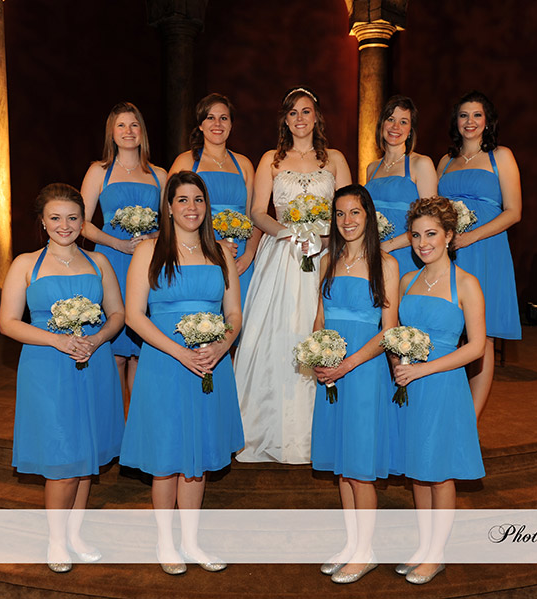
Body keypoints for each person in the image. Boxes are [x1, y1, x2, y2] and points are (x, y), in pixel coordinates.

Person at [120, 171, 244, 575]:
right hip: (164, 363)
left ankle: (191, 541)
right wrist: (179, 352)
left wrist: (222, 345)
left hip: (210, 364)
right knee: (167, 453)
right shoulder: (149, 251)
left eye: (198, 200)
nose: (192, 207)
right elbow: (135, 315)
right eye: (183, 200)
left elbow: (234, 313)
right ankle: (165, 541)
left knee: (199, 454)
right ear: (169, 207)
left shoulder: (221, 252)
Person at [0, 183, 125, 573]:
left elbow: (117, 315)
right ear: (42, 221)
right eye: (55, 218)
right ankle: (55, 539)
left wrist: (97, 339)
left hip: (94, 363)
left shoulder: (99, 262)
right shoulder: (25, 264)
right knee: (63, 455)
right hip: (46, 368)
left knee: (86, 454)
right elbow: (7, 323)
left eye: (72, 218)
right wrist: (58, 340)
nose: (64, 225)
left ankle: (75, 535)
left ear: (84, 221)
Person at [234, 86, 352, 464]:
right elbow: (257, 212)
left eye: (306, 111)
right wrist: (288, 233)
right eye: (293, 113)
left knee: (316, 326)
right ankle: (266, 427)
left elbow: (348, 208)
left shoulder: (335, 159)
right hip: (282, 254)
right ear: (285, 120)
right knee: (277, 333)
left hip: (325, 253)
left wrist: (325, 238)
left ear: (316, 116)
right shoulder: (271, 159)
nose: (300, 118)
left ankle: (320, 431)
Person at [391, 196, 486, 585]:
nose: (422, 243)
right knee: (419, 467)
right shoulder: (406, 281)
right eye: (415, 236)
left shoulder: (466, 284)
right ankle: (424, 545)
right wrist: (398, 363)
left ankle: (437, 553)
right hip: (409, 386)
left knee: (440, 471)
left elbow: (476, 347)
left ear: (449, 235)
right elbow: (394, 335)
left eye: (431, 234)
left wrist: (424, 369)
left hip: (444, 386)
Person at [310, 184, 399, 583]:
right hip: (331, 374)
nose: (347, 221)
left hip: (363, 372)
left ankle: (366, 551)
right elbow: (320, 317)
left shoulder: (386, 264)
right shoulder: (328, 260)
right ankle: (352, 544)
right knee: (343, 465)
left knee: (360, 465)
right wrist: (318, 355)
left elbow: (388, 330)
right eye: (340, 213)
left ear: (369, 216)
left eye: (355, 212)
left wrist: (347, 364)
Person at [436, 91, 522, 419]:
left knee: (481, 336)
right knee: (449, 332)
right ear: (455, 122)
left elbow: (513, 212)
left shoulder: (502, 156)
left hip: (486, 251)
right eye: (463, 115)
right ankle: (448, 410)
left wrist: (471, 236)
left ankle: (470, 421)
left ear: (488, 121)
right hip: (449, 254)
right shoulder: (445, 162)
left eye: (476, 115)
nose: (470, 122)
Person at [81, 101, 167, 413]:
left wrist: (152, 237)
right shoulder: (99, 171)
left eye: (134, 125)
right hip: (111, 260)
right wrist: (117, 244)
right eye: (121, 125)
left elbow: (172, 224)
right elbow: (82, 223)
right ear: (112, 133)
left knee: (143, 353)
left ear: (142, 131)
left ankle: (140, 426)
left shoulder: (159, 175)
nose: (128, 131)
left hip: (148, 264)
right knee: (116, 353)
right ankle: (118, 425)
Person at [169, 93, 258, 313]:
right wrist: (212, 246)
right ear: (200, 125)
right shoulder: (186, 161)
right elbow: (171, 213)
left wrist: (248, 256)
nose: (217, 124)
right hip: (200, 252)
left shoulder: (244, 165)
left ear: (231, 125)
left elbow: (254, 216)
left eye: (223, 118)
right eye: (210, 118)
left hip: (239, 258)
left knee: (240, 319)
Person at [365, 95, 437, 276]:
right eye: (391, 119)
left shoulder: (421, 164)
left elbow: (430, 220)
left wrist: (387, 246)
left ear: (410, 130)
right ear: (382, 124)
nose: (395, 127)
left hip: (407, 255)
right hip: (374, 257)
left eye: (403, 122)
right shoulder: (372, 168)